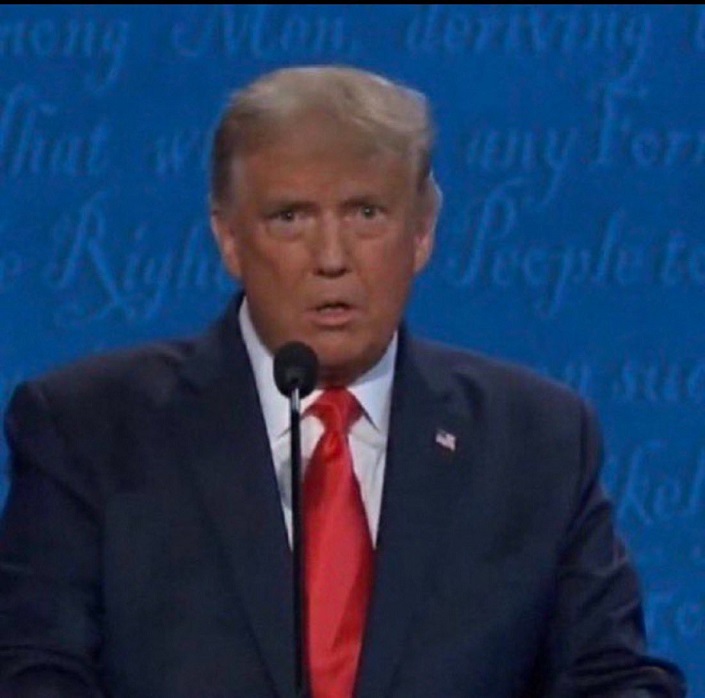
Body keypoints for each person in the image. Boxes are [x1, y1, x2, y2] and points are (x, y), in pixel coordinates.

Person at [0, 65, 687, 698]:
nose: (331, 258)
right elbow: (34, 671)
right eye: (290, 218)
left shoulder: (536, 440)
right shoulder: (90, 429)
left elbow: (611, 677)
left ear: (422, 232)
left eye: (366, 214)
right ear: (229, 238)